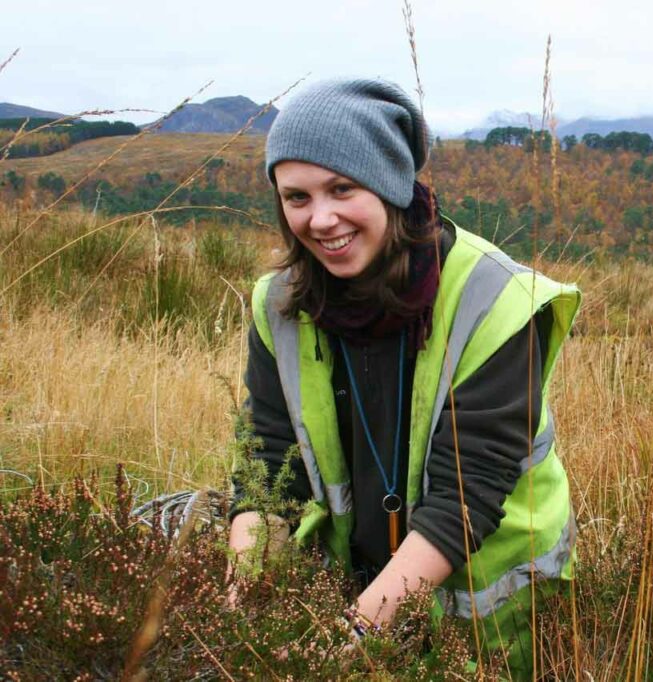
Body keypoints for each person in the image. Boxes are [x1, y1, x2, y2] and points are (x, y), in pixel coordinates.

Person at [227, 78, 581, 678]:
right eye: (296, 197)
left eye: (342, 188)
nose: (320, 219)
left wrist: (353, 639)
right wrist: (241, 609)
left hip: (489, 626)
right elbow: (267, 464)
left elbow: (463, 500)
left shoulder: (496, 300)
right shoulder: (278, 306)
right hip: (352, 597)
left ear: (390, 183)